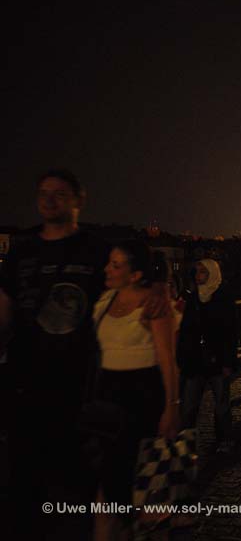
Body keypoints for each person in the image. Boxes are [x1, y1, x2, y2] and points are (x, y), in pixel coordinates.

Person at [0, 169, 110, 538]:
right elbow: (5, 309)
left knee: (75, 490)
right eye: (43, 193)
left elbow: (130, 286)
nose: (48, 200)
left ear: (79, 200)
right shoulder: (22, 249)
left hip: (79, 384)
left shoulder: (96, 248)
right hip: (25, 383)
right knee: (24, 488)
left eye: (59, 194)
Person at [92, 240, 179, 540]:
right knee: (109, 489)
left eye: (116, 265)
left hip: (140, 400)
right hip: (107, 403)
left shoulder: (153, 305)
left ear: (136, 274)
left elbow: (168, 359)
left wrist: (172, 407)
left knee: (141, 490)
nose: (108, 269)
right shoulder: (103, 302)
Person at [178, 259, 236, 453]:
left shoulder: (223, 297)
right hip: (195, 360)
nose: (198, 275)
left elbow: (230, 331)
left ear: (212, 274)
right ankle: (186, 443)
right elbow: (186, 329)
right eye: (197, 272)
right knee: (188, 406)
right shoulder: (194, 298)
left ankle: (225, 438)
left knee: (221, 403)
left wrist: (228, 361)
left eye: (203, 272)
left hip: (217, 359)